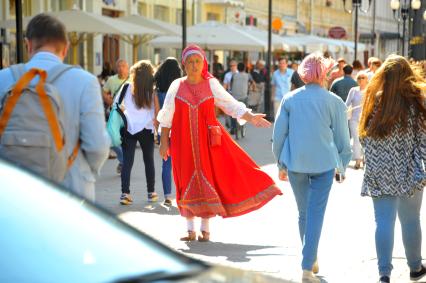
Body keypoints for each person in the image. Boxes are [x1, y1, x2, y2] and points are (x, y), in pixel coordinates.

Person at [157, 44, 282, 242]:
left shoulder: (211, 84)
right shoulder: (177, 86)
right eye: (190, 62)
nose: (194, 65)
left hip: (207, 143)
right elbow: (166, 117)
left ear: (203, 63)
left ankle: (205, 230)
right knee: (184, 179)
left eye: (198, 61)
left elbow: (229, 104)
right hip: (182, 142)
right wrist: (164, 142)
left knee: (209, 179)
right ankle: (190, 229)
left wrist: (250, 117)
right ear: (184, 64)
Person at [0, 13, 110, 201]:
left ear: (28, 45)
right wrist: (84, 171)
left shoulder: (4, 78)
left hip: (13, 195)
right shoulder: (86, 82)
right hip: (70, 192)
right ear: (65, 48)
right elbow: (97, 146)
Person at [272, 52, 352, 283]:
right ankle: (307, 266)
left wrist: (280, 162)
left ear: (304, 73)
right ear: (325, 73)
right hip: (324, 164)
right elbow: (343, 141)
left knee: (304, 213)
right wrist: (343, 166)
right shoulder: (334, 102)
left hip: (296, 162)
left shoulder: (290, 99)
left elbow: (279, 135)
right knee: (315, 213)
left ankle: (310, 256)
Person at [358, 55, 426, 283]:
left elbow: (363, 136)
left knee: (383, 221)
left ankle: (384, 273)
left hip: (380, 170)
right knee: (411, 220)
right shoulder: (417, 102)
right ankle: (415, 268)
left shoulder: (374, 101)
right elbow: (424, 141)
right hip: (411, 169)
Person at [118, 60, 159, 205]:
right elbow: (156, 112)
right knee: (149, 161)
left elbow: (117, 105)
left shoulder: (127, 87)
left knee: (127, 162)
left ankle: (125, 194)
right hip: (146, 130)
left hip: (128, 128)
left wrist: (128, 114)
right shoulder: (152, 91)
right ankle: (151, 193)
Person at [153, 57, 182, 206]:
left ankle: (167, 196)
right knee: (181, 163)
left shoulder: (157, 91)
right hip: (179, 129)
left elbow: (157, 113)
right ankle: (182, 194)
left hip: (164, 130)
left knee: (166, 163)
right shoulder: (180, 89)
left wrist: (157, 134)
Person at [103, 59, 129, 175]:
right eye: (118, 66)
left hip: (128, 115)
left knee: (124, 140)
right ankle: (123, 160)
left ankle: (123, 162)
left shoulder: (132, 80)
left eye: (123, 66)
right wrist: (109, 100)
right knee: (111, 139)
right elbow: (104, 92)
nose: (121, 68)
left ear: (127, 68)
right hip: (114, 113)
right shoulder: (111, 80)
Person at [345, 71, 368, 169]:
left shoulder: (370, 90)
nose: (361, 80)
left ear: (367, 79)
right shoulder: (353, 90)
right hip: (354, 119)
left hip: (367, 119)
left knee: (366, 140)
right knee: (356, 139)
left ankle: (366, 159)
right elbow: (346, 103)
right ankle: (358, 160)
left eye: (363, 77)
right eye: (359, 78)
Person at [230, 62, 254, 133]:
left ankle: (233, 127)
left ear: (237, 68)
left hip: (234, 97)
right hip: (244, 96)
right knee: (245, 110)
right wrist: (252, 88)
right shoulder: (248, 75)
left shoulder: (234, 75)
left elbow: (231, 85)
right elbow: (252, 83)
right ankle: (243, 123)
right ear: (244, 68)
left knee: (233, 112)